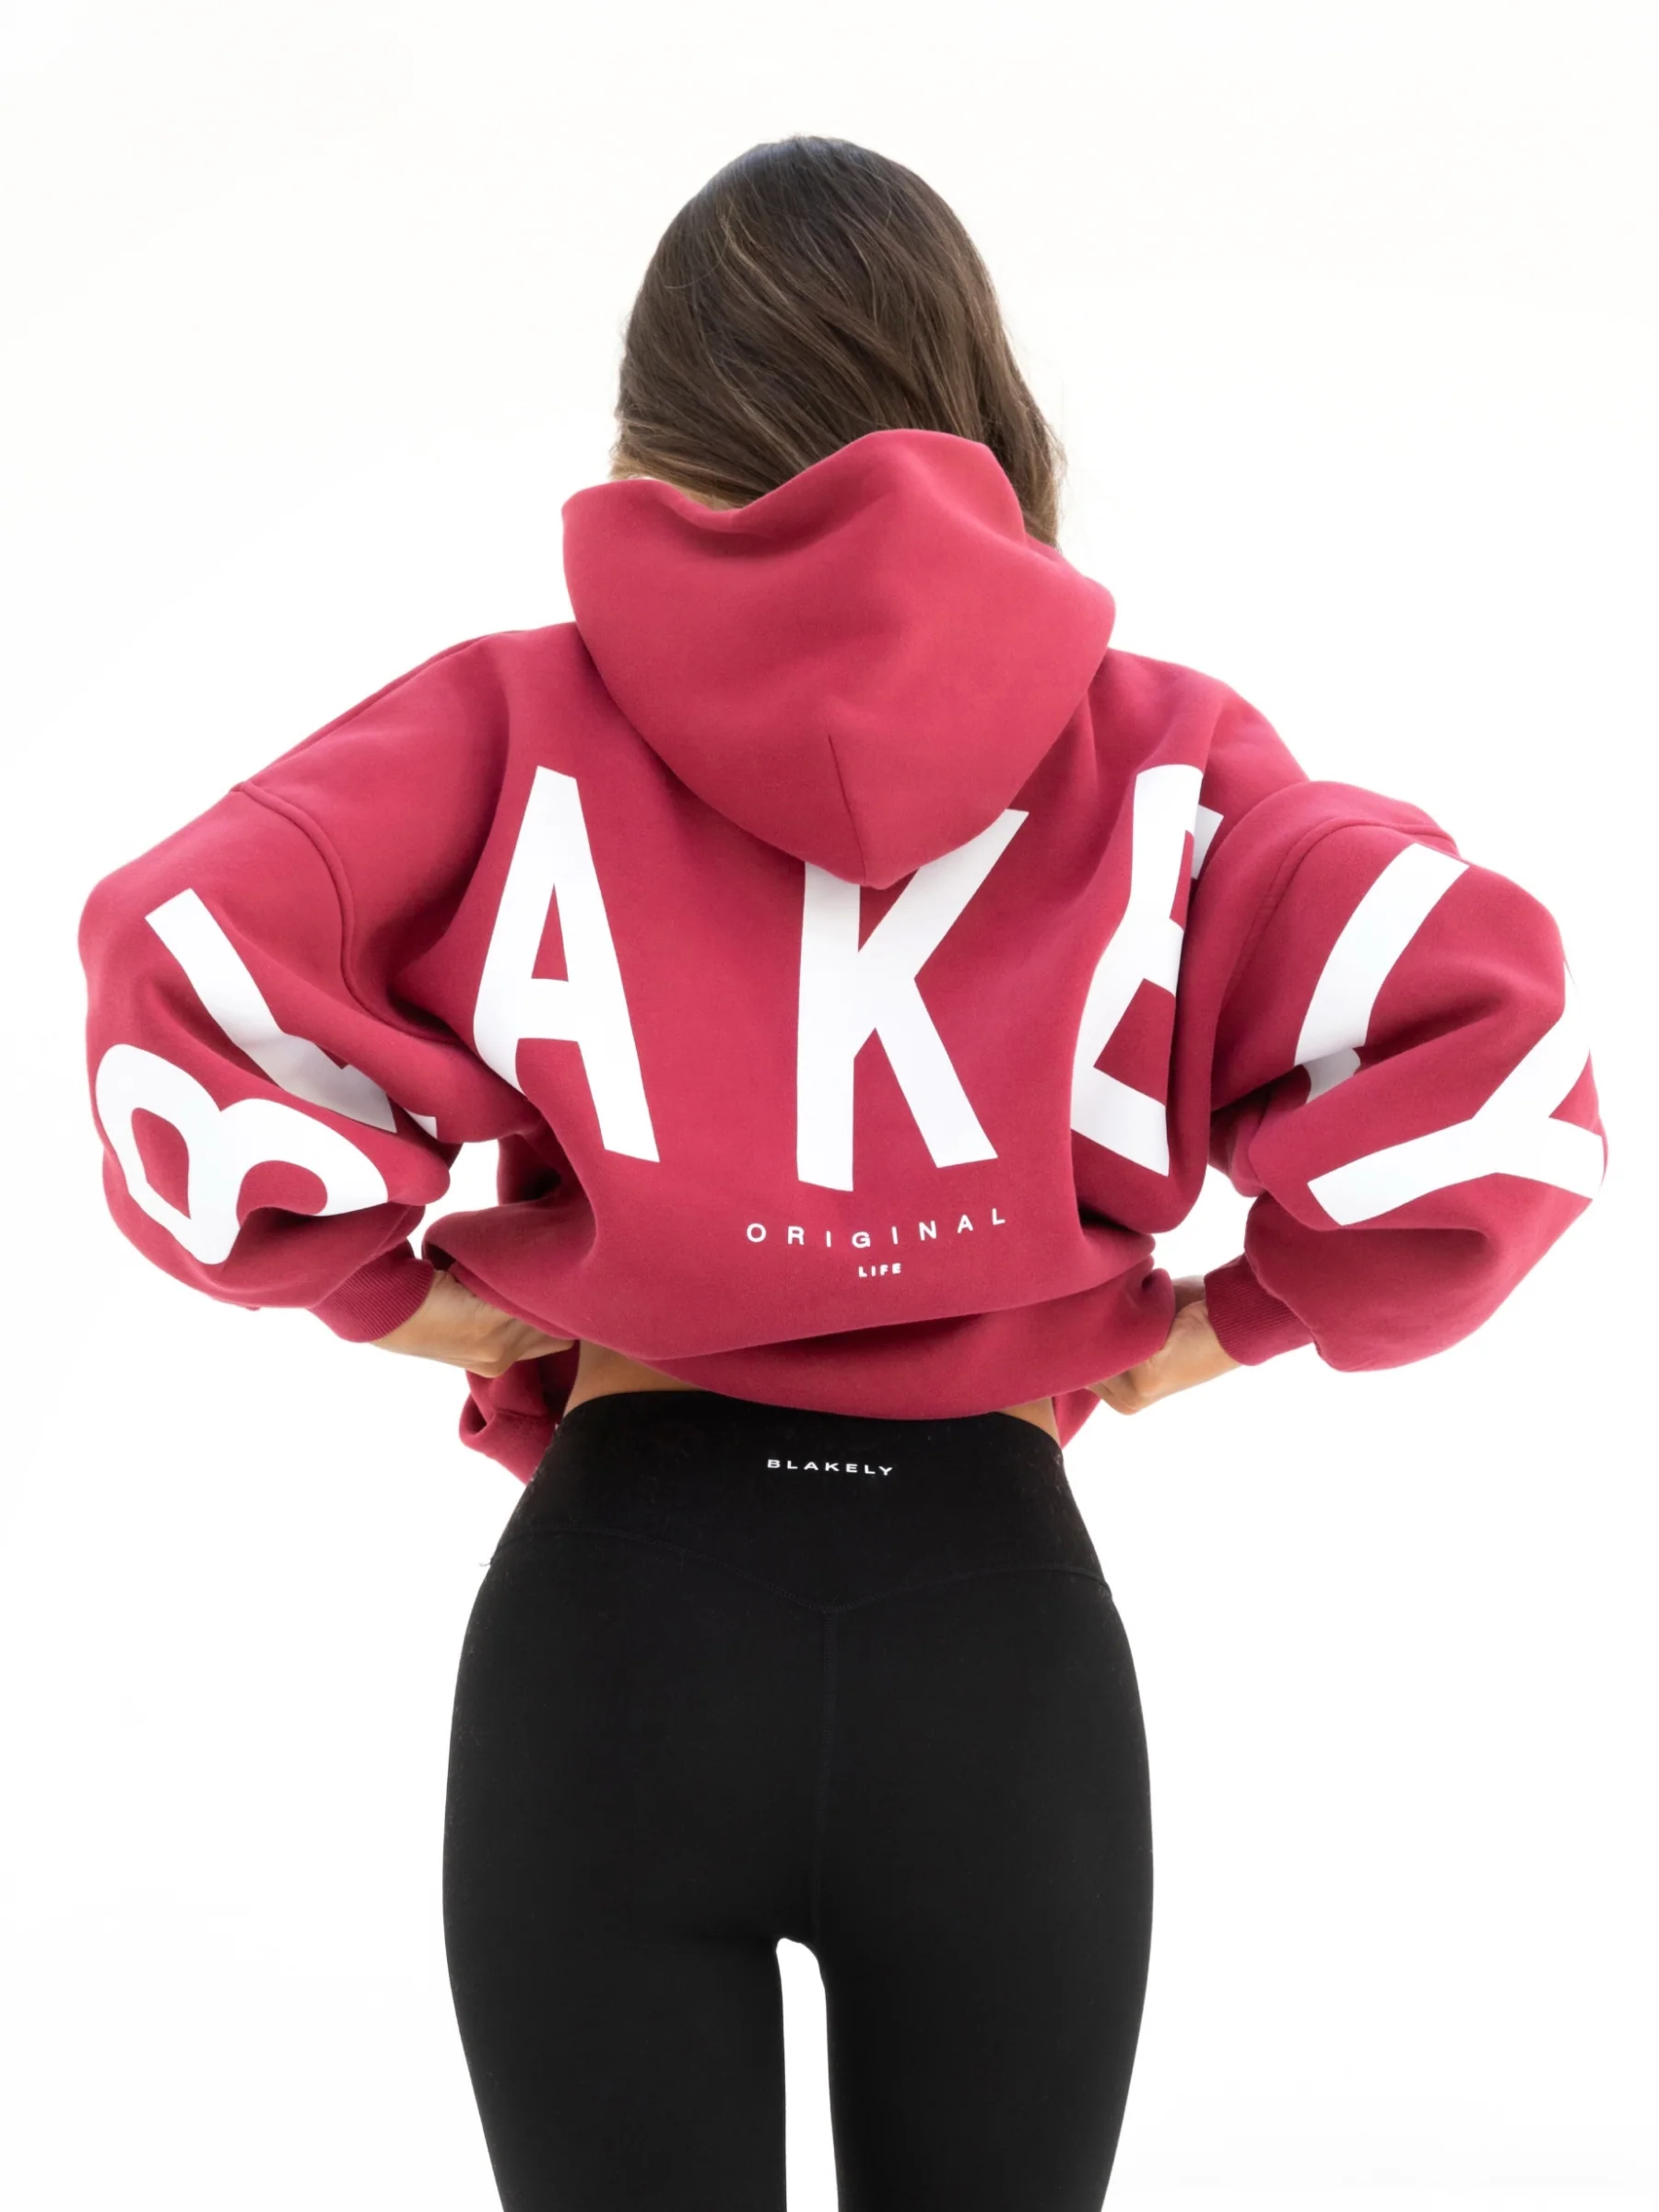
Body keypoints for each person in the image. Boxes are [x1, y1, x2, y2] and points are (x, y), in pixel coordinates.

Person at [77, 135, 1606, 2212]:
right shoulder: (1161, 755)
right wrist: (1222, 1324)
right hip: (996, 1649)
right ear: (982, 404)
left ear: (652, 434)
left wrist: (401, 1292)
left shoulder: (503, 727)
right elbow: (1498, 1059)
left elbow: (174, 963)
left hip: (620, 1635)